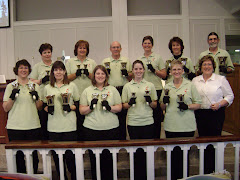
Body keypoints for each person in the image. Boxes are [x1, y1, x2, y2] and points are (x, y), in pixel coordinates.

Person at [160, 60, 201, 180]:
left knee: (185, 157)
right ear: (170, 72)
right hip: (171, 125)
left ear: (183, 71)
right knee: (172, 156)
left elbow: (198, 104)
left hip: (186, 125)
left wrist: (187, 106)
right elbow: (162, 106)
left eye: (179, 69)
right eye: (174, 70)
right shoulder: (167, 86)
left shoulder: (190, 85)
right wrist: (164, 102)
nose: (176, 71)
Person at [192, 55, 234, 174]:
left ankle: (216, 171)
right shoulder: (195, 80)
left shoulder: (220, 79)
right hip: (201, 114)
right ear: (201, 67)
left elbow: (230, 96)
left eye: (209, 64)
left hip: (216, 114)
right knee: (203, 142)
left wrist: (220, 104)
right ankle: (205, 171)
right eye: (204, 64)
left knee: (215, 143)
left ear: (213, 66)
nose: (207, 66)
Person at [79, 65, 122, 180]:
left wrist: (109, 108)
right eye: (98, 73)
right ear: (94, 76)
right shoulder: (87, 91)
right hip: (92, 130)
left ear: (106, 76)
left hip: (111, 129)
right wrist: (90, 107)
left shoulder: (112, 90)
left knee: (109, 160)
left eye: (102, 74)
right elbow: (82, 111)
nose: (100, 76)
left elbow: (119, 107)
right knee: (94, 161)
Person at [3, 59, 42, 174]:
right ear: (17, 70)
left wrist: (36, 98)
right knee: (18, 158)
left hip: (32, 125)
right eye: (21, 68)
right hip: (15, 127)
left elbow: (39, 107)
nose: (23, 70)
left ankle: (33, 177)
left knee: (33, 157)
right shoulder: (11, 86)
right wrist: (12, 97)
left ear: (29, 70)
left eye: (25, 68)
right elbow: (5, 108)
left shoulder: (35, 86)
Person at [43, 61, 79, 180]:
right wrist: (48, 108)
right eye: (56, 70)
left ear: (64, 72)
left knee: (70, 157)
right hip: (54, 127)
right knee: (57, 159)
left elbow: (77, 105)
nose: (58, 72)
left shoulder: (72, 86)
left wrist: (70, 107)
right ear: (53, 72)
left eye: (61, 70)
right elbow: (44, 106)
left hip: (69, 126)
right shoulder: (48, 87)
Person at [122, 60, 157, 180]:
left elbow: (155, 105)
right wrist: (129, 103)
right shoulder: (127, 86)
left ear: (144, 70)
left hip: (148, 121)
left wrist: (150, 101)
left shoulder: (150, 85)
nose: (138, 71)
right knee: (136, 153)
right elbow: (124, 105)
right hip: (133, 122)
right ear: (132, 71)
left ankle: (148, 176)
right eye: (136, 69)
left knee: (148, 152)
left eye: (140, 69)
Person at [65, 40, 97, 140]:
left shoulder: (92, 62)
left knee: (89, 118)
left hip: (89, 95)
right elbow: (65, 78)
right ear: (76, 49)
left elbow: (98, 77)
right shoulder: (70, 62)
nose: (82, 50)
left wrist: (89, 74)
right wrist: (76, 74)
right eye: (80, 48)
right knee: (78, 120)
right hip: (76, 95)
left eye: (84, 48)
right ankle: (79, 143)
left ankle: (89, 140)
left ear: (87, 50)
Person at [101, 41, 132, 140]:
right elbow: (100, 77)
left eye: (118, 47)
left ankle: (122, 140)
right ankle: (112, 138)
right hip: (110, 90)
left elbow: (131, 77)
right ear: (110, 49)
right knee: (111, 113)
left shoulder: (126, 60)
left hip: (122, 88)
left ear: (121, 49)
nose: (116, 49)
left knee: (122, 115)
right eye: (114, 47)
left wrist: (126, 74)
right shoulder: (105, 61)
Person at [138, 35, 166, 138]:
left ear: (152, 45)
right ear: (142, 45)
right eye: (145, 43)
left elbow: (164, 75)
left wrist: (154, 70)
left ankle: (156, 140)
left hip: (156, 88)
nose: (147, 45)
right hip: (143, 90)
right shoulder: (139, 59)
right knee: (145, 114)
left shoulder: (157, 57)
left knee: (156, 116)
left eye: (149, 43)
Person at [30, 43, 54, 140]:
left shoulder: (55, 64)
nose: (47, 54)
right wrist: (41, 81)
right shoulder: (37, 66)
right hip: (43, 99)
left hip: (53, 97)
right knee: (43, 122)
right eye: (45, 53)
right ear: (41, 54)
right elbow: (31, 81)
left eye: (49, 52)